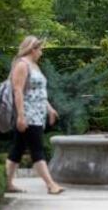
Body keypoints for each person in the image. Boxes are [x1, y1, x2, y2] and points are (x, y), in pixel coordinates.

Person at [6, 36, 64, 194]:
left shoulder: (35, 66)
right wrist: (20, 116)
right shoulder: (22, 65)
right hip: (28, 116)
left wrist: (49, 108)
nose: (42, 52)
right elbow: (17, 91)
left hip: (37, 115)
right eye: (40, 49)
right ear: (32, 49)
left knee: (16, 151)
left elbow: (38, 92)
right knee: (37, 150)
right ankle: (51, 185)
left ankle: (7, 183)